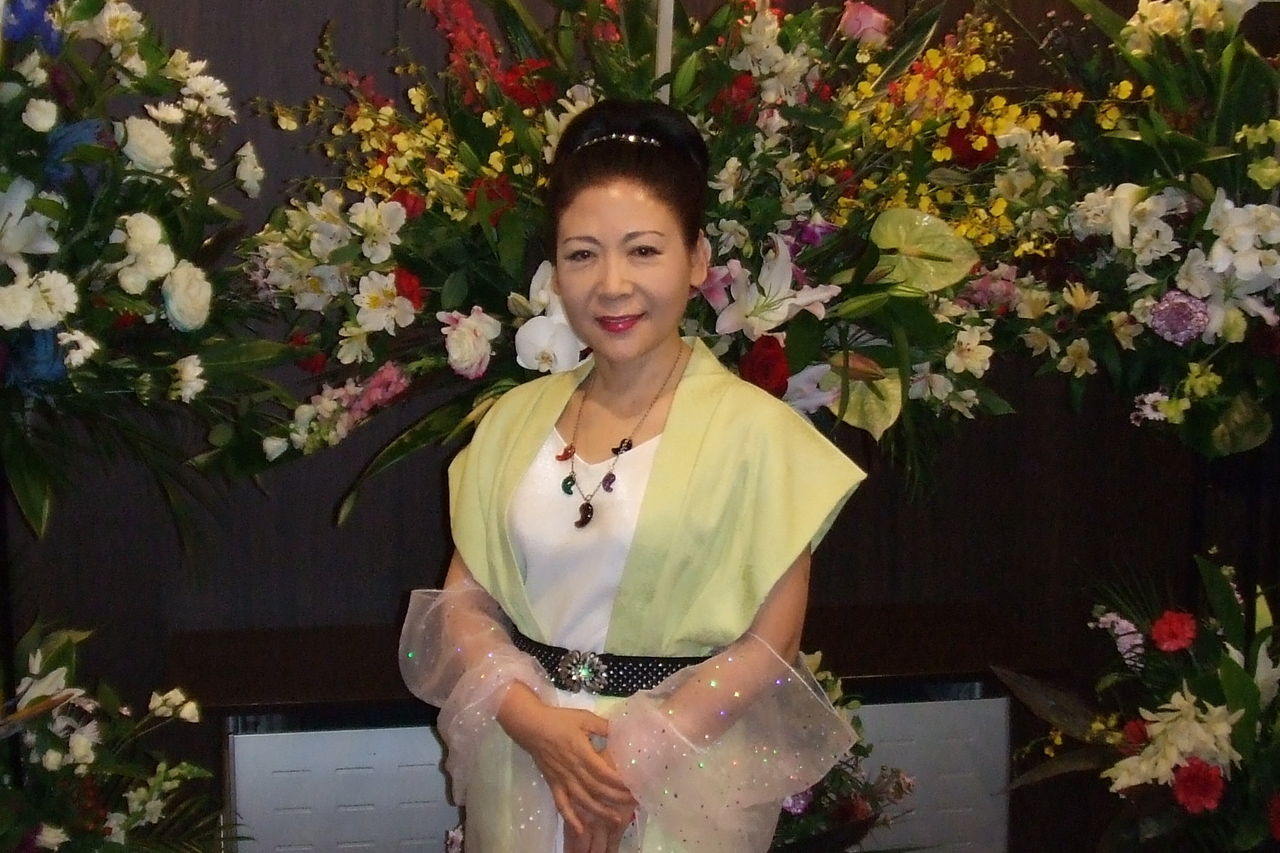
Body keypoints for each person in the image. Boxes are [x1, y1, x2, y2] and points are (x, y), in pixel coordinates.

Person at [400, 99, 865, 853]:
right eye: (583, 254)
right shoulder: (511, 421)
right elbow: (464, 602)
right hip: (524, 759)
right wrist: (532, 722)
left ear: (698, 259)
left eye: (643, 250)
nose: (612, 284)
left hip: (683, 773)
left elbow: (768, 644)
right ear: (555, 271)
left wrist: (621, 770)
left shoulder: (761, 437)